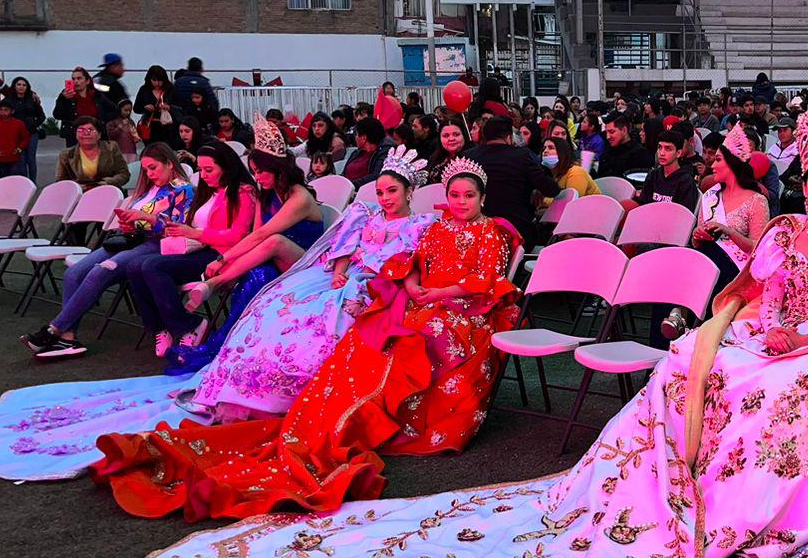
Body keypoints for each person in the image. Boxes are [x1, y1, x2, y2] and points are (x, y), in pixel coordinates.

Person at [112, 88, 808, 558]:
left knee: (806, 392)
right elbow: (748, 296)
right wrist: (743, 329)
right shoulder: (783, 232)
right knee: (690, 365)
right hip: (770, 337)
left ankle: (756, 509)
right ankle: (671, 485)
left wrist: (804, 341)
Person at [94, 153, 521, 520]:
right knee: (291, 309)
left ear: (480, 198)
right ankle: (266, 390)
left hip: (452, 300)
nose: (460, 202)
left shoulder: (465, 228)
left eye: (468, 196)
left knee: (396, 331)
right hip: (399, 290)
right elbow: (412, 266)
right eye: (455, 195)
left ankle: (387, 413)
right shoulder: (428, 226)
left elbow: (476, 277)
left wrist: (429, 292)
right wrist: (404, 287)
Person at [21, 145, 195, 360]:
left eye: (153, 168)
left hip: (156, 244)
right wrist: (129, 224)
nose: (149, 174)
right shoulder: (149, 188)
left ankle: (53, 330)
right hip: (131, 240)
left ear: (169, 163)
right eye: (146, 170)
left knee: (100, 271)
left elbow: (178, 227)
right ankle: (68, 337)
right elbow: (139, 220)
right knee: (73, 274)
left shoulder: (183, 189)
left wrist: (146, 219)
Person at [176, 116, 325, 321]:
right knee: (257, 275)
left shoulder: (299, 197)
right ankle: (239, 332)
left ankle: (217, 282)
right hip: (274, 259)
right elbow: (255, 235)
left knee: (274, 240)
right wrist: (230, 261)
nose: (257, 178)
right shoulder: (266, 193)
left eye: (261, 172)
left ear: (278, 168)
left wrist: (222, 260)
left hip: (307, 261)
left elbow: (263, 235)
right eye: (254, 172)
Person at [126, 142, 258, 357]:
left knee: (153, 267)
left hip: (222, 254)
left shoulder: (242, 192)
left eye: (209, 170)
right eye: (200, 169)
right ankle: (161, 327)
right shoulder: (208, 191)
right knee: (133, 266)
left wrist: (196, 234)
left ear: (226, 167)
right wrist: (151, 221)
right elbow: (186, 224)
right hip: (198, 247)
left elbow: (238, 235)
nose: (202, 175)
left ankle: (188, 326)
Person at [691, 129, 770, 288]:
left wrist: (729, 232)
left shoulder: (757, 201)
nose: (713, 165)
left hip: (736, 270)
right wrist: (697, 235)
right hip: (706, 260)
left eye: (718, 160)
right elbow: (696, 244)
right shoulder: (710, 196)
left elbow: (757, 250)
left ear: (732, 164)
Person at [464, 113, 559, 234]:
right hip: (516, 230)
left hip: (476, 229)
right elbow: (550, 189)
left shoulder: (469, 156)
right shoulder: (521, 156)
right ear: (509, 137)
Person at [55, 117, 131, 191]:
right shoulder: (66, 154)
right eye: (81, 130)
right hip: (80, 194)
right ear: (76, 135)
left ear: (99, 134)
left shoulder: (111, 148)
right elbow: (61, 181)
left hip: (109, 191)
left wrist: (108, 182)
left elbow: (124, 174)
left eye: (90, 129)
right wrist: (77, 187)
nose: (86, 133)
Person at [634, 129, 699, 209]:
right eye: (660, 147)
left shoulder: (686, 181)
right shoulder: (653, 175)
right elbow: (642, 205)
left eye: (668, 149)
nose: (662, 153)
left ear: (678, 153)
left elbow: (685, 213)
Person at [1, 76, 46, 180]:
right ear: (14, 86)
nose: (21, 87)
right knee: (20, 160)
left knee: (31, 159)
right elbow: (3, 114)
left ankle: (33, 181)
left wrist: (34, 124)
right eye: (19, 84)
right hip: (16, 135)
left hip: (31, 133)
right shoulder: (8, 100)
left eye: (24, 85)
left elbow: (41, 116)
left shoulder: (32, 99)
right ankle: (24, 182)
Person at [594, 112, 651, 181]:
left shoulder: (640, 154)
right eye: (606, 132)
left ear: (624, 130)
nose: (608, 137)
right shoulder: (607, 150)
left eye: (612, 132)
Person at [540, 135, 599, 200]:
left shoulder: (576, 172)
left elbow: (570, 201)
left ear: (562, 152)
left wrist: (543, 200)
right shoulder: (552, 174)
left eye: (551, 148)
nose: (545, 151)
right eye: (544, 148)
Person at [0, 98, 31, 178]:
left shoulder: (19, 123)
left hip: (15, 156)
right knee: (3, 176)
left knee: (15, 175)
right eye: (1, 110)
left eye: (6, 110)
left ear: (12, 111)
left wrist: (19, 149)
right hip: (1, 157)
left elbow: (26, 138)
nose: (3, 112)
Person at [342, 118, 391, 187]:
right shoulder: (356, 153)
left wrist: (351, 185)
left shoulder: (384, 153)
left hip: (363, 190)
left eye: (357, 134)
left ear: (364, 138)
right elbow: (343, 174)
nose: (355, 137)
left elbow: (375, 176)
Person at [93, 53, 128, 122]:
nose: (123, 69)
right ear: (113, 66)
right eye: (121, 66)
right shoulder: (110, 83)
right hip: (109, 120)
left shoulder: (97, 79)